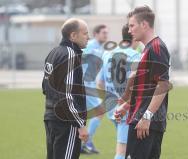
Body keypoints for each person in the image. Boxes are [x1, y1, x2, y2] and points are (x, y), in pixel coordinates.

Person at [114, 6, 171, 159]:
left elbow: (163, 85)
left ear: (144, 25)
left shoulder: (156, 47)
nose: (129, 30)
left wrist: (146, 116)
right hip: (140, 119)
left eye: (132, 25)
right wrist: (127, 106)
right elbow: (147, 87)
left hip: (145, 123)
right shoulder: (147, 49)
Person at [42, 18, 89, 159]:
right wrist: (80, 124)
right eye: (85, 33)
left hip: (51, 118)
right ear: (73, 35)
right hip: (66, 122)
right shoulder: (70, 54)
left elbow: (45, 87)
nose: (88, 37)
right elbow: (66, 94)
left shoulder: (53, 53)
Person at [97, 24, 141, 159]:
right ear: (134, 36)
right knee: (122, 151)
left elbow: (100, 82)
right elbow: (138, 86)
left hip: (111, 106)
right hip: (127, 108)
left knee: (129, 150)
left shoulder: (106, 53)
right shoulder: (136, 56)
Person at [81, 24, 109, 154]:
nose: (106, 35)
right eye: (103, 33)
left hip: (90, 84)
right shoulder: (90, 45)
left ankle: (84, 142)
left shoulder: (99, 47)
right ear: (96, 33)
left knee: (87, 114)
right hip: (85, 85)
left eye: (106, 33)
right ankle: (85, 142)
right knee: (100, 110)